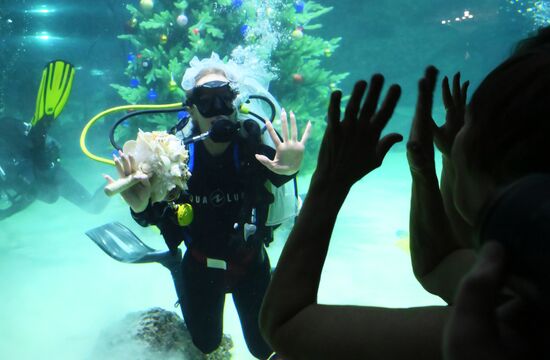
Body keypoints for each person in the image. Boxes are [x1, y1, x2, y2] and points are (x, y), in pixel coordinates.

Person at [259, 26, 550, 359]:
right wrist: (426, 168)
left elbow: (286, 327)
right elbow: (438, 265)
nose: (459, 137)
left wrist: (330, 181)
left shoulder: (512, 330)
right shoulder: (527, 280)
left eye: (471, 121)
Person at [106, 54, 311, 359]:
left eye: (224, 99)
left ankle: (272, 281)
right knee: (206, 343)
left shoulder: (255, 150)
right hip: (199, 264)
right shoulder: (175, 158)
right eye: (206, 101)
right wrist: (139, 207)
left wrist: (292, 167)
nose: (217, 111)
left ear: (236, 104)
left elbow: (282, 175)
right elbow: (152, 215)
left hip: (249, 261)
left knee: (263, 349)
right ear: (191, 109)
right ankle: (174, 264)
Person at [0, 60, 109, 220]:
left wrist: (40, 136)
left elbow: (39, 147)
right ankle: (123, 179)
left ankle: (125, 178)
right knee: (90, 207)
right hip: (41, 178)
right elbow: (32, 195)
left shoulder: (6, 126)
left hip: (45, 168)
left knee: (92, 207)